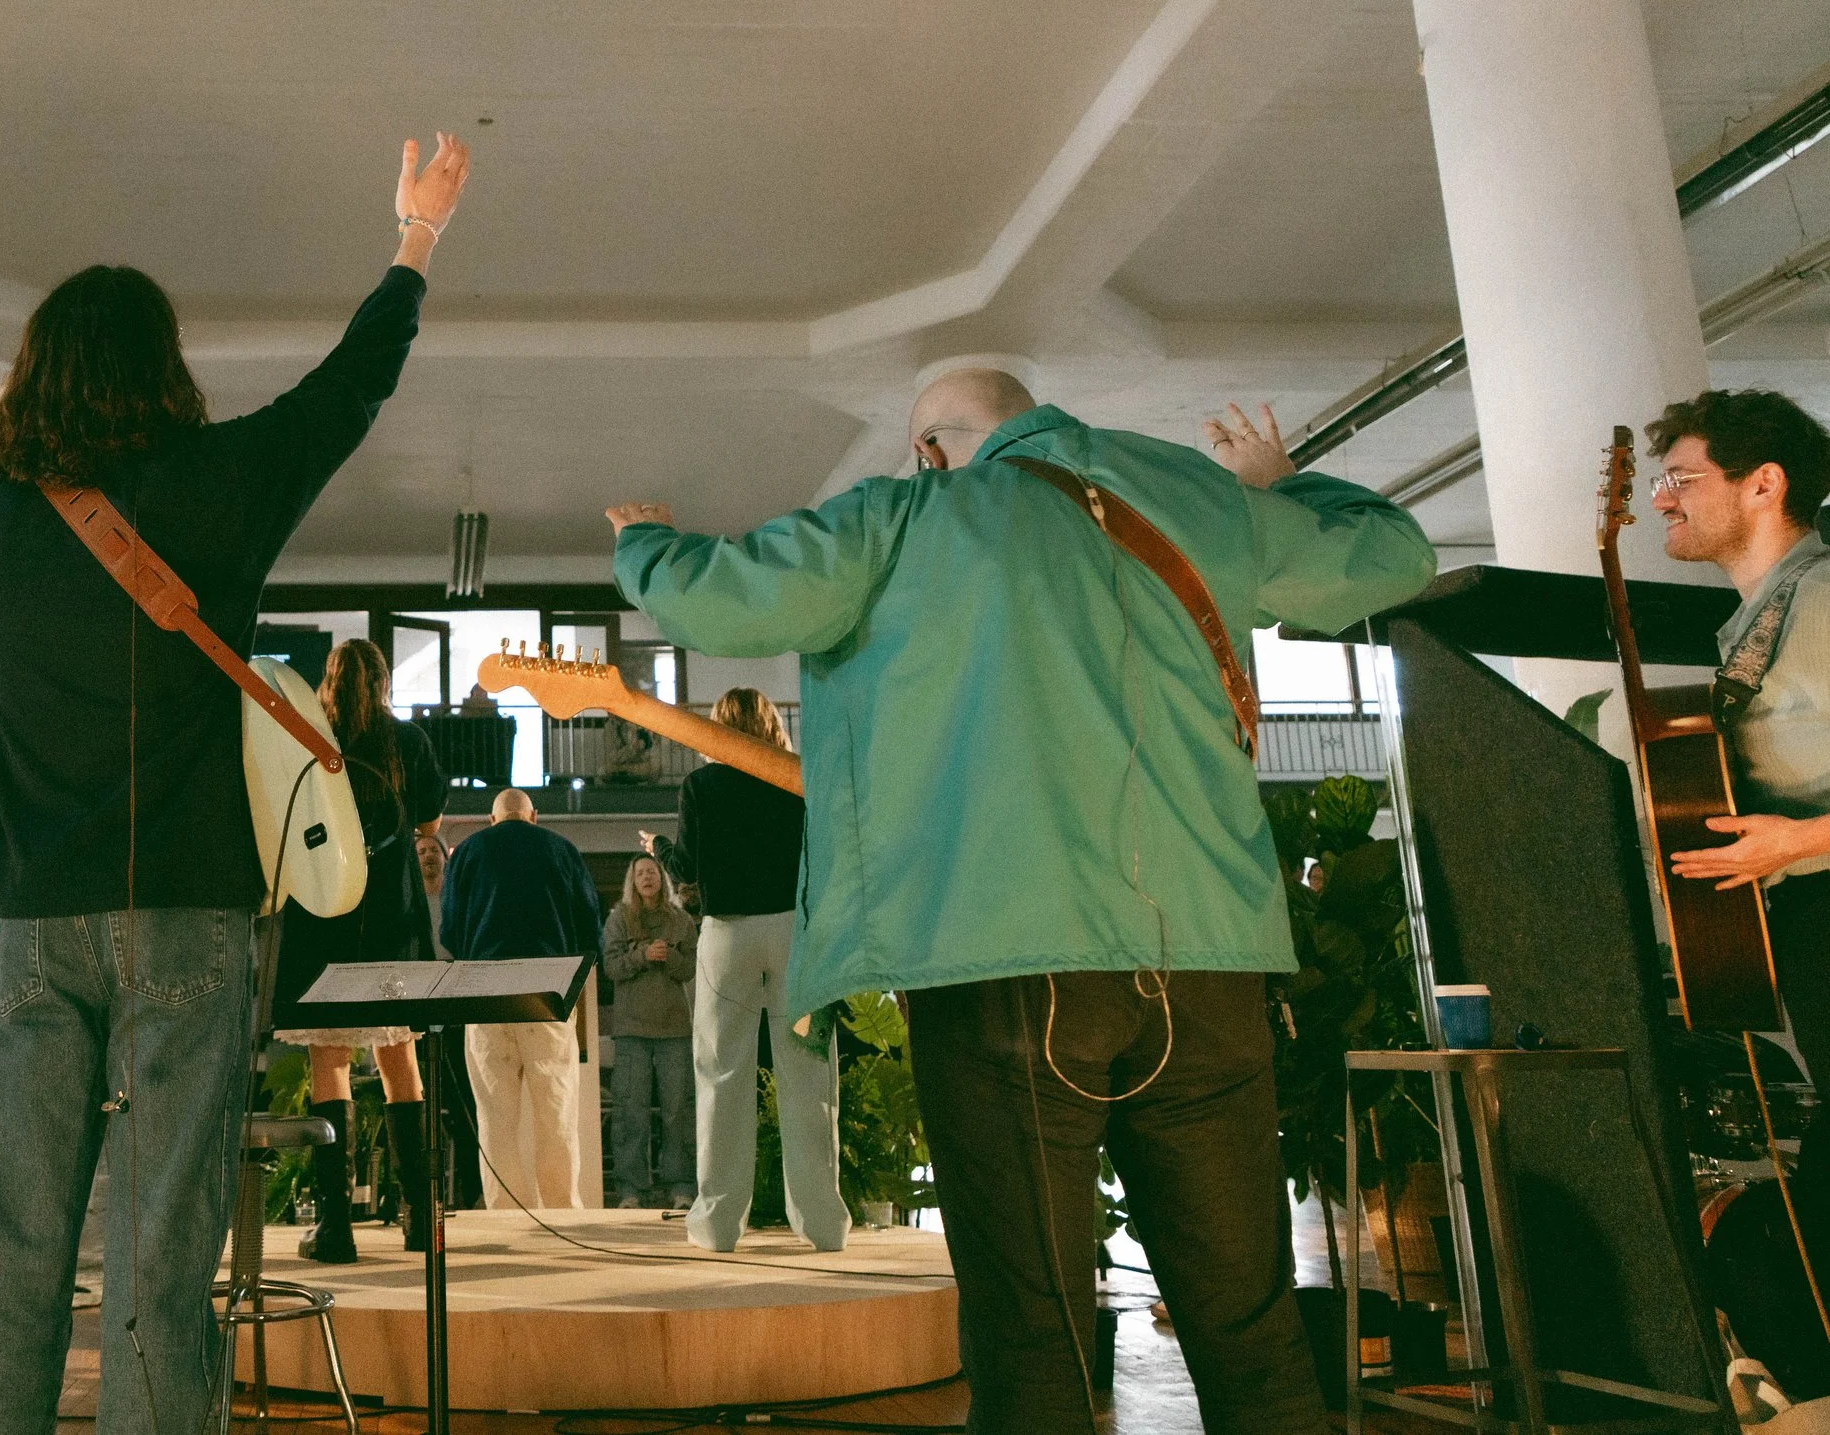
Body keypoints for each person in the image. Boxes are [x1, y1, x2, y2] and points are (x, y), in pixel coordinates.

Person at [607, 376, 1434, 1434]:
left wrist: (645, 544)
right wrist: (1281, 480)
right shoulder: (1193, 494)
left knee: (1029, 1337)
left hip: (1012, 970)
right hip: (1212, 963)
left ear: (932, 451)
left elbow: (716, 597)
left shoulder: (908, 515)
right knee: (1251, 1335)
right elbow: (1395, 556)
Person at [0, 132, 470, 1435]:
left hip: (35, 916)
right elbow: (347, 392)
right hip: (187, 908)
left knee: (7, 1251)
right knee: (162, 1258)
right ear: (164, 367)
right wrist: (414, 239)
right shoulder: (221, 484)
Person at [1643, 388, 1830, 1383]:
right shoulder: (1757, 623)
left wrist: (1802, 837)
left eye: (1681, 477)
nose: (1661, 500)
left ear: (1764, 482)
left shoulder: (1827, 598)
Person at [645, 687, 843, 1251]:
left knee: (721, 1076)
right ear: (772, 724)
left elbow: (688, 868)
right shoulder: (797, 778)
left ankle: (717, 1225)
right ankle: (823, 1225)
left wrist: (658, 845)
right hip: (797, 941)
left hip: (728, 939)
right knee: (809, 1075)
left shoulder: (701, 786)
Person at [270, 639, 447, 1260]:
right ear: (383, 682)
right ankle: (423, 1220)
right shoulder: (411, 744)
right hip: (393, 922)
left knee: (332, 1063)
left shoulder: (312, 741)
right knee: (401, 1062)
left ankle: (337, 1228)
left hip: (326, 922)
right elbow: (428, 822)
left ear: (330, 683)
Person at [439, 789, 603, 1209]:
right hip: (546, 992)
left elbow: (451, 932)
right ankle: (563, 1209)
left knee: (495, 1115)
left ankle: (506, 1210)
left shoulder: (469, 852)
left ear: (491, 820)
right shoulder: (562, 850)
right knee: (556, 1110)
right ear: (535, 816)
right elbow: (589, 928)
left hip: (484, 992)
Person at [601, 853, 697, 1210]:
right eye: (640, 873)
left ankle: (682, 1186)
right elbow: (610, 966)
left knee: (678, 1112)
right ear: (632, 880)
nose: (646, 878)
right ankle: (631, 1190)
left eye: (652, 872)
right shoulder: (618, 919)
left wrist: (667, 957)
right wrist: (643, 956)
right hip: (631, 1031)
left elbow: (688, 968)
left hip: (674, 1029)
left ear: (662, 879)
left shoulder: (680, 920)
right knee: (631, 1112)